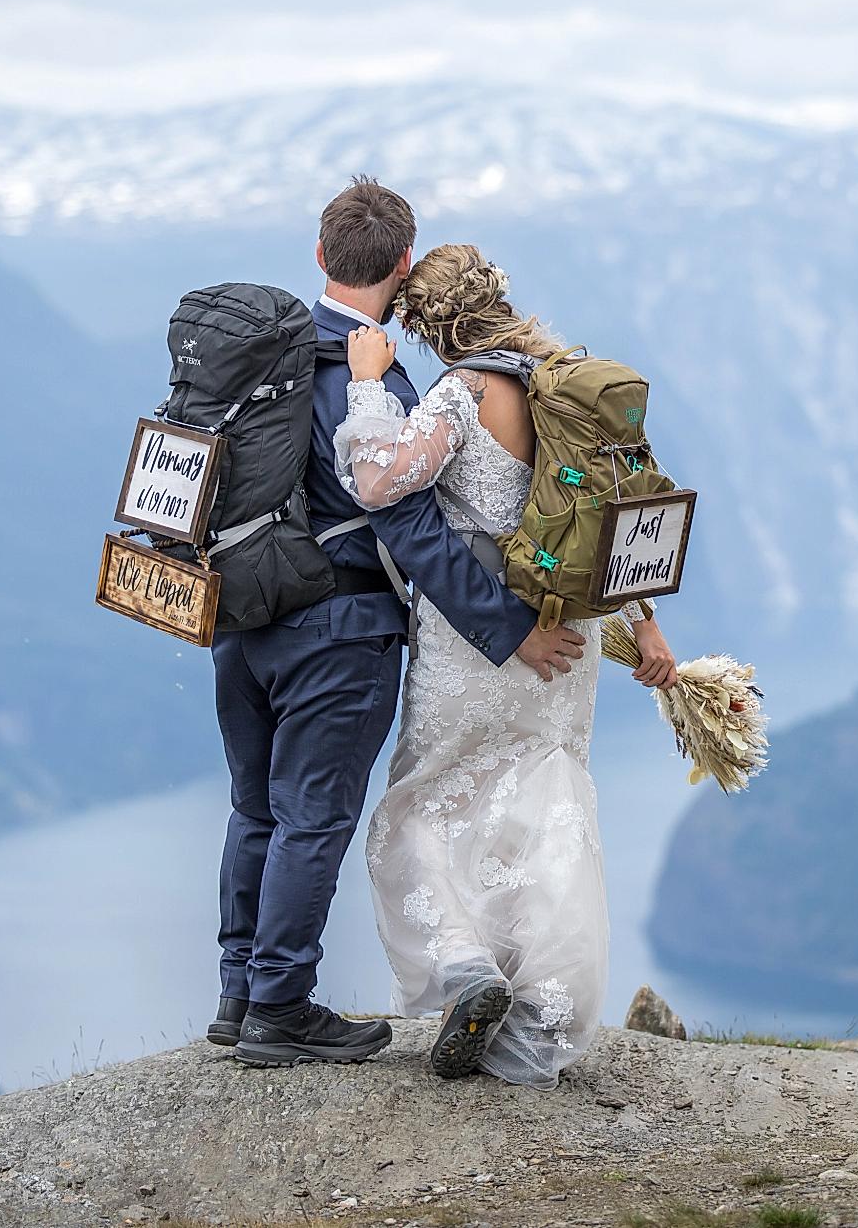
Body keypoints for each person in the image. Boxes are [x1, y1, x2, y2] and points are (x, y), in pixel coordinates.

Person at [213, 182, 588, 1068]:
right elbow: (405, 522)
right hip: (336, 630)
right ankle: (281, 1008)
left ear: (318, 256)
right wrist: (506, 625)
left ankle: (238, 992)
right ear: (402, 265)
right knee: (316, 815)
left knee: (254, 807)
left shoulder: (266, 357)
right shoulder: (366, 371)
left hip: (241, 617)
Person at [334, 242, 679, 1088]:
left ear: (424, 323)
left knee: (416, 809)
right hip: (569, 642)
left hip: (475, 638)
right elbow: (608, 512)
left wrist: (369, 382)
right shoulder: (567, 383)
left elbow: (379, 481)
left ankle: (464, 966)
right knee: (540, 806)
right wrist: (649, 626)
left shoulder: (463, 391)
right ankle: (538, 1018)